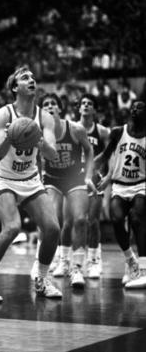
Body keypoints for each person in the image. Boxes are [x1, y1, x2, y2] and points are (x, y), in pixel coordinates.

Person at [0, 66, 62, 302]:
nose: (31, 80)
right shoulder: (4, 114)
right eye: (25, 78)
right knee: (12, 227)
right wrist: (11, 137)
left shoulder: (45, 117)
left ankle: (41, 279)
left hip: (30, 178)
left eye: (32, 77)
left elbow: (51, 155)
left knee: (52, 229)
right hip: (4, 177)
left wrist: (38, 139)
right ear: (14, 88)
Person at [31, 93, 97, 288]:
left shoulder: (75, 129)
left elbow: (89, 150)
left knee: (80, 219)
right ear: (42, 111)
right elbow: (35, 157)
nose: (50, 106)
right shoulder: (38, 131)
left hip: (75, 178)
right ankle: (39, 261)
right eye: (46, 105)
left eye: (53, 104)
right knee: (50, 221)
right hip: (52, 179)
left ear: (60, 108)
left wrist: (88, 175)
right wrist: (38, 178)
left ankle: (76, 269)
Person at [96, 99, 146, 288]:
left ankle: (143, 269)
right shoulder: (118, 132)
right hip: (120, 185)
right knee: (116, 219)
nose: (135, 109)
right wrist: (89, 168)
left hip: (141, 185)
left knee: (136, 218)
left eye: (140, 107)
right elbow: (105, 155)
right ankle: (131, 262)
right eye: (133, 106)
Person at [78, 93, 110, 278]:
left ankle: (94, 261)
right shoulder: (72, 128)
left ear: (94, 109)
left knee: (93, 221)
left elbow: (109, 155)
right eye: (83, 103)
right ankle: (68, 260)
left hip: (95, 178)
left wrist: (107, 176)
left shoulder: (103, 131)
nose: (86, 106)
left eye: (89, 103)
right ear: (79, 107)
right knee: (75, 221)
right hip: (75, 178)